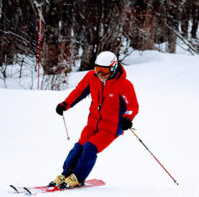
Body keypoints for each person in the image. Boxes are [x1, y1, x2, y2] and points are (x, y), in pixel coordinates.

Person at [50, 51, 138, 188]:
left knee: (90, 147)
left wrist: (127, 118)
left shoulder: (124, 85)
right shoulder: (92, 77)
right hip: (93, 124)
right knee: (79, 147)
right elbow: (78, 92)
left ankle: (78, 177)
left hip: (111, 128)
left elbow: (132, 105)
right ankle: (66, 174)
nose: (100, 74)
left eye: (104, 70)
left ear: (114, 68)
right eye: (97, 69)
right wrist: (65, 104)